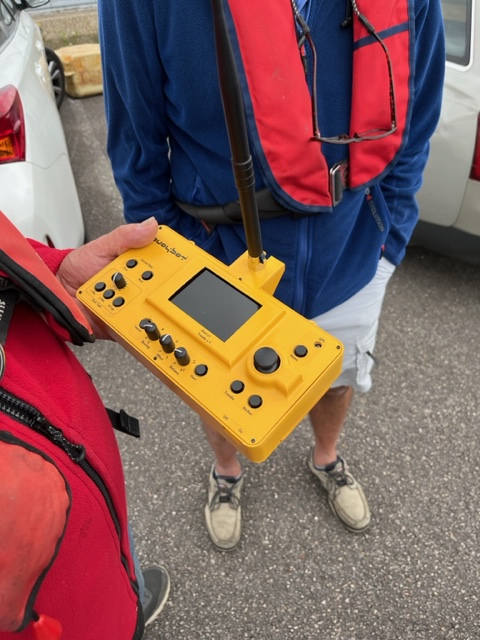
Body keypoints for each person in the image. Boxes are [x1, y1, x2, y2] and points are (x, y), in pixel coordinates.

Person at [97, 0, 445, 549]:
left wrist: (389, 238)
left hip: (353, 251)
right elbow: (135, 141)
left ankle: (326, 457)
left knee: (338, 376)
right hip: (218, 256)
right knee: (220, 389)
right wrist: (179, 256)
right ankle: (227, 471)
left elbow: (417, 115)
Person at [0, 213, 170, 638]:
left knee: (121, 571)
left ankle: (131, 595)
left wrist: (47, 275)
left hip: (95, 492)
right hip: (59, 617)